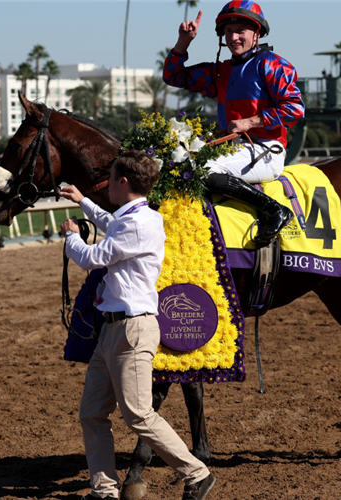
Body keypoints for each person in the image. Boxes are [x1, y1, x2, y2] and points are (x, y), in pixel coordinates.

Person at [60, 150, 215, 500]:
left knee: (139, 415)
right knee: (92, 413)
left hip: (131, 331)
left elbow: (92, 257)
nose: (107, 186)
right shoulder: (135, 217)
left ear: (123, 182)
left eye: (110, 179)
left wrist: (71, 235)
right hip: (115, 330)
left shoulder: (138, 223)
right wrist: (83, 201)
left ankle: (197, 474)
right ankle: (104, 491)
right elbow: (111, 222)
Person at [163, 0, 305, 243]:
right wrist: (183, 42)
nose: (234, 37)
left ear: (256, 33)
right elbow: (173, 77)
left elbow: (295, 108)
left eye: (241, 31)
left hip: (265, 150)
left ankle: (274, 210)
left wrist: (250, 122)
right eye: (228, 31)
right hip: (233, 149)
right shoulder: (221, 71)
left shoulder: (272, 63)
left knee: (201, 170)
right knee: (172, 163)